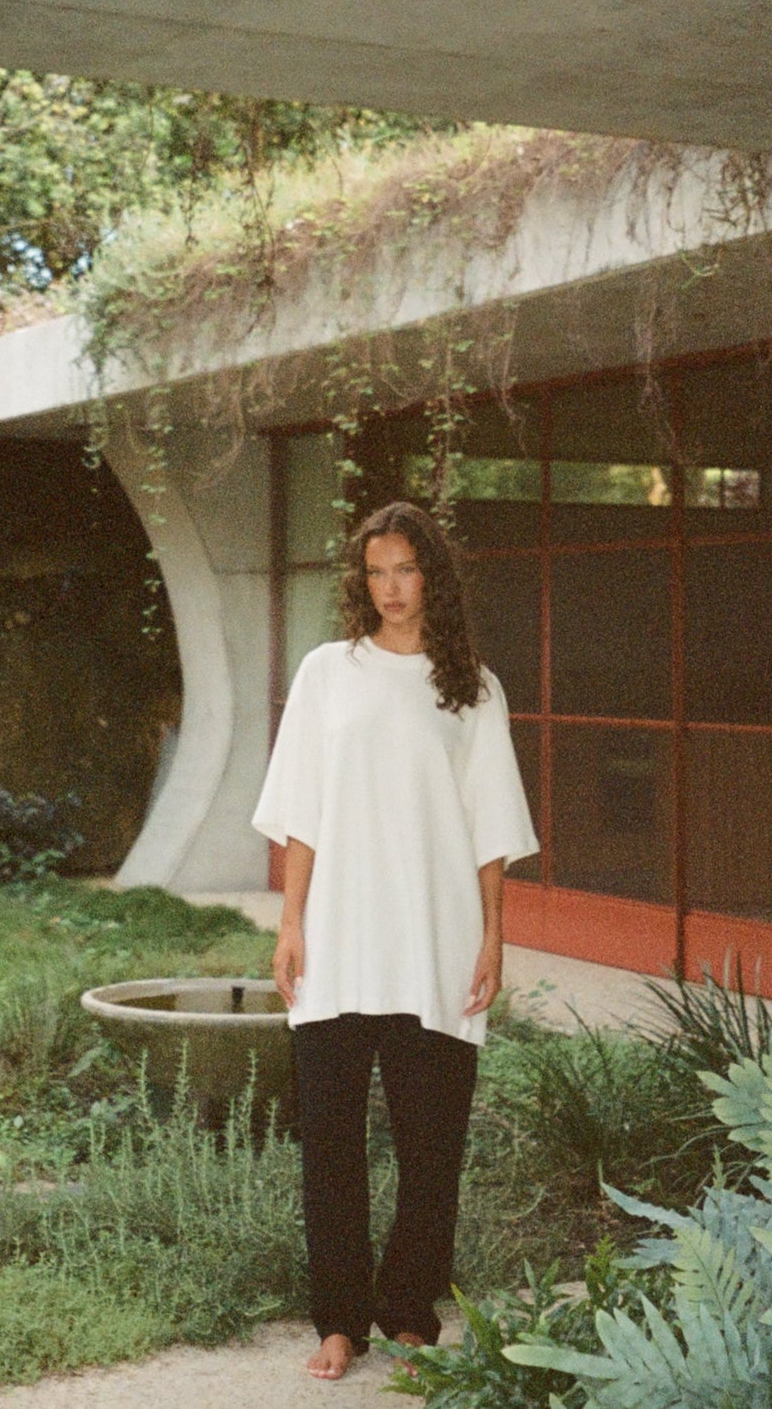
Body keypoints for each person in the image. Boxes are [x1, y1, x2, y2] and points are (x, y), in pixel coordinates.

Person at [252, 500, 538, 1381]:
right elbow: (300, 812)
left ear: (432, 579)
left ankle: (409, 1309)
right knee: (331, 1144)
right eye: (376, 572)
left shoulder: (472, 688)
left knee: (431, 1145)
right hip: (338, 937)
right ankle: (339, 1322)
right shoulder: (327, 673)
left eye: (406, 571)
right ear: (360, 580)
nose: (391, 589)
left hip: (435, 940)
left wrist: (492, 937)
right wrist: (292, 924)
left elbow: (490, 826)